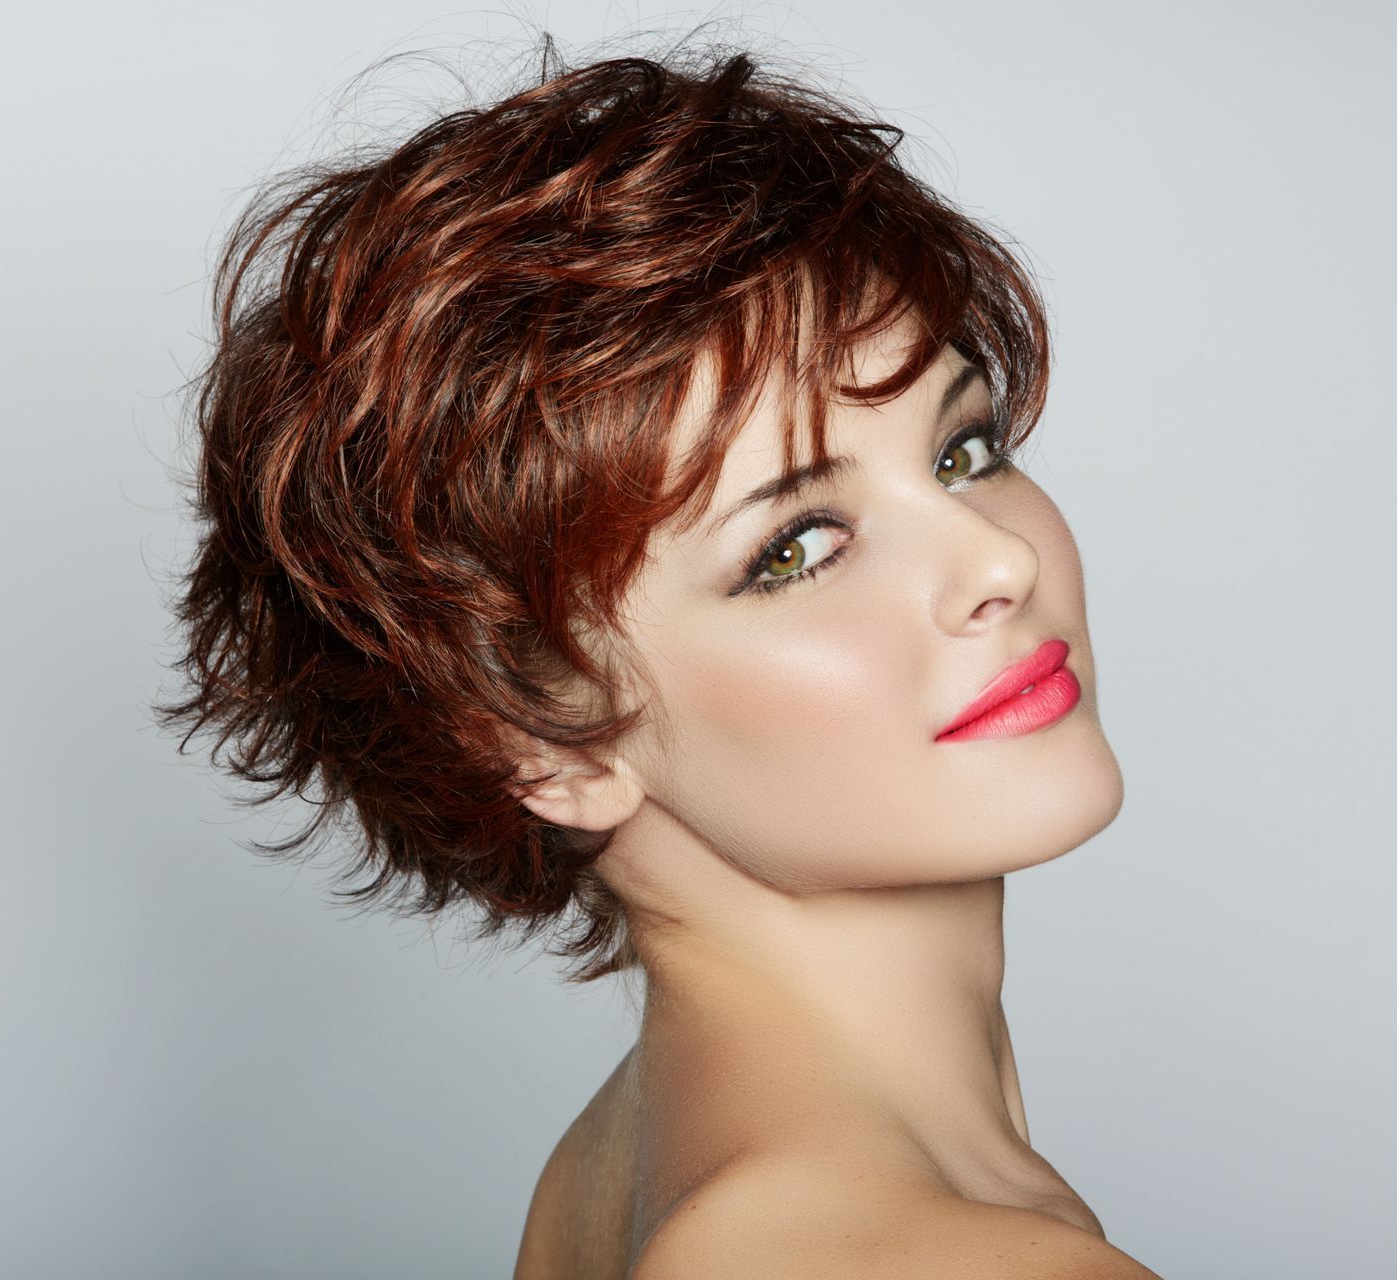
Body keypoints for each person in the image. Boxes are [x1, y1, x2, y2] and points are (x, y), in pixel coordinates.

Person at [157, 36, 1162, 1279]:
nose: (996, 563)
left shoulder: (631, 1161)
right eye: (796, 547)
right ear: (542, 732)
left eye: (961, 450)